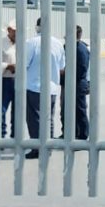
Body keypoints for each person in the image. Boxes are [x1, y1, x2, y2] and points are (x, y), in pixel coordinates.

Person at [23, 17, 66, 158]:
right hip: (52, 88)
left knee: (34, 118)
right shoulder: (58, 44)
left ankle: (37, 148)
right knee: (49, 118)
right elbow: (61, 67)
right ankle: (48, 147)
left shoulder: (32, 43)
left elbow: (24, 64)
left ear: (37, 27)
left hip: (34, 86)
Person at [59, 25, 90, 140]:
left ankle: (82, 135)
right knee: (65, 110)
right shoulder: (68, 47)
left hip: (77, 84)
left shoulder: (81, 49)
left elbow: (81, 69)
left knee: (79, 110)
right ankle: (67, 133)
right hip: (68, 83)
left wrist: (65, 73)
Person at [1, 21, 17, 138]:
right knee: (1, 109)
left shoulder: (23, 43)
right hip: (5, 79)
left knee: (18, 110)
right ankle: (1, 135)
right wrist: (7, 66)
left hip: (18, 79)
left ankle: (15, 135)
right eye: (15, 31)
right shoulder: (0, 43)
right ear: (9, 30)